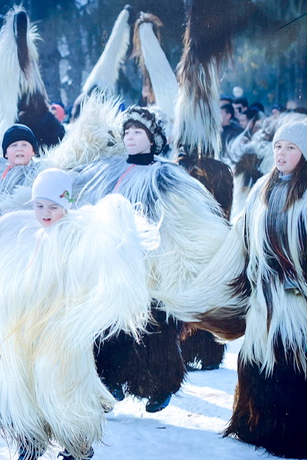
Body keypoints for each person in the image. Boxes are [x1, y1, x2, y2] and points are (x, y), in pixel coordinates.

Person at [0, 167, 158, 460]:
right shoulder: (16, 228)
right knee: (19, 385)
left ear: (67, 205)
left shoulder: (78, 235)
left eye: (53, 207)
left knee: (63, 386)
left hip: (60, 335)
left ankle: (77, 445)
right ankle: (29, 441)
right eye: (39, 205)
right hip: (21, 332)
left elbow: (106, 256)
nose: (45, 213)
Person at [75, 106, 230, 413]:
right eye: (127, 132)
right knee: (110, 323)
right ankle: (110, 381)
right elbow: (79, 194)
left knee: (156, 325)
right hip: (112, 261)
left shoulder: (167, 174)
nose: (131, 137)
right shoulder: (107, 168)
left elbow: (190, 215)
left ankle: (161, 385)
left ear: (152, 138)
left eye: (138, 132)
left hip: (153, 263)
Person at [219, 121, 307, 459]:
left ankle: (292, 437)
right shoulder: (261, 189)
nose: (282, 154)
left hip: (295, 301)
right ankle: (256, 426)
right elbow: (241, 239)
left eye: (291, 148)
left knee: (290, 364)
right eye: (279, 147)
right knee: (258, 362)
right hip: (263, 299)